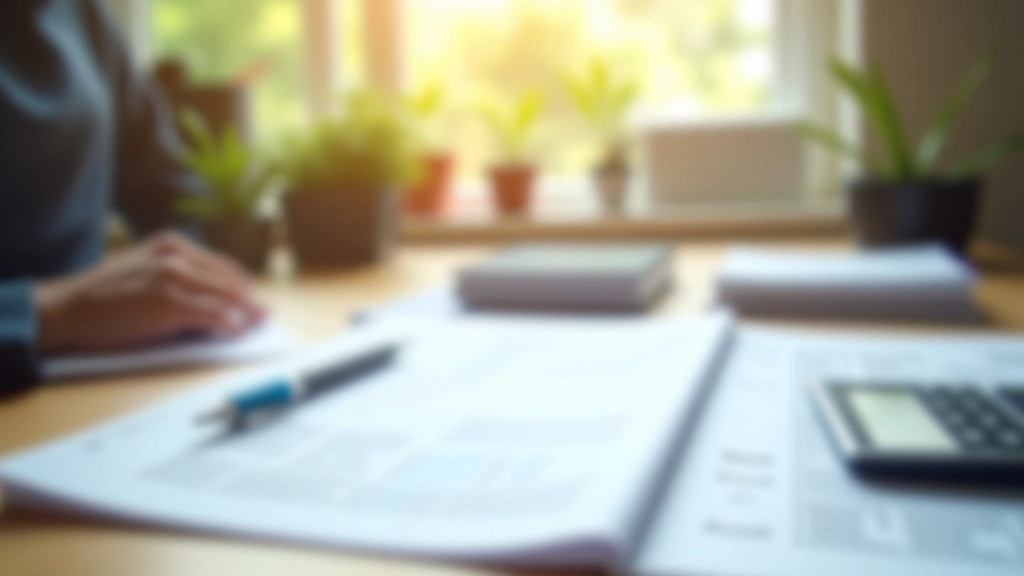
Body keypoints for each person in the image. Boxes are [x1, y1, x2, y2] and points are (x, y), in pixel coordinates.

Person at [0, 0, 264, 397]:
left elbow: (172, 192)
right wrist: (50, 312)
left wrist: (184, 285)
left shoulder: (82, 14)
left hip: (90, 384)